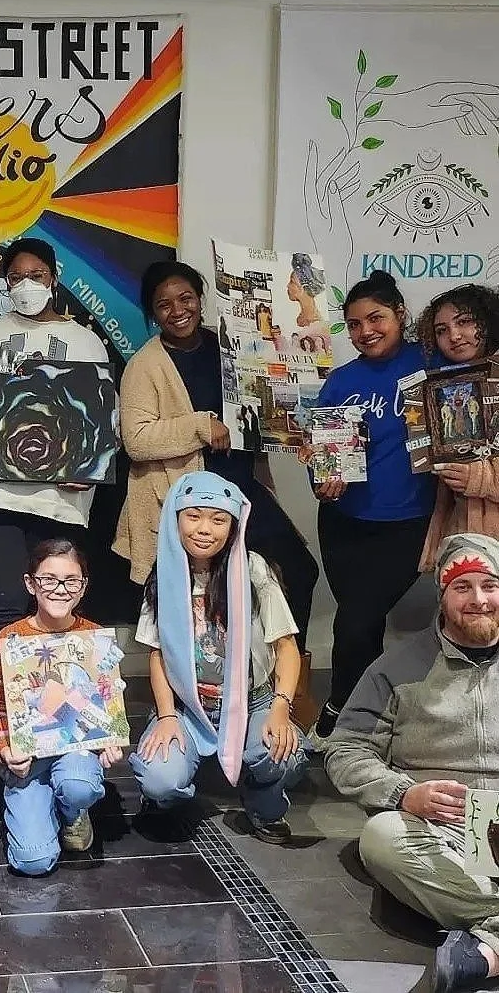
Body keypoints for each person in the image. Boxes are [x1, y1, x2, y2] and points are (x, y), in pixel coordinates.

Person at [112, 260, 319, 718]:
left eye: (186, 298)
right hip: (182, 499)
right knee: (185, 601)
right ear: (151, 313)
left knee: (298, 571)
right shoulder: (145, 365)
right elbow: (138, 440)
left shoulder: (231, 345)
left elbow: (258, 401)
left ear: (201, 298)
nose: (177, 310)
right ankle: (192, 700)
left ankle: (282, 686)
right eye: (163, 304)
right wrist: (201, 425)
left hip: (240, 486)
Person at [325, 533, 499, 993]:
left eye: (490, 585)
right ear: (442, 596)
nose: (478, 600)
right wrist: (403, 793)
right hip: (442, 832)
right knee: (381, 837)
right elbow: (345, 749)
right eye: (462, 588)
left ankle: (487, 948)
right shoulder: (398, 666)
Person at [0, 237, 110, 669]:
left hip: (61, 501)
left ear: (53, 279)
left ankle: (55, 714)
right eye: (16, 277)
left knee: (56, 602)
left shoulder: (86, 342)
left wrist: (90, 467)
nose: (26, 284)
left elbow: (100, 421)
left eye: (36, 275)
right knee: (1, 600)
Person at [129, 473, 308, 845]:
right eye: (193, 516)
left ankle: (264, 804)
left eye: (218, 519)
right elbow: (157, 654)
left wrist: (280, 707)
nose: (205, 529)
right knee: (160, 776)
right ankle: (165, 800)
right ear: (175, 519)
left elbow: (286, 647)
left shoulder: (253, 569)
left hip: (252, 700)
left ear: (233, 524)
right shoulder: (163, 573)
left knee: (283, 754)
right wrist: (165, 716)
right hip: (187, 706)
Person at [308, 270, 435, 750]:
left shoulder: (431, 361)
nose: (366, 331)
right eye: (355, 324)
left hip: (406, 524)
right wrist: (322, 482)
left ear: (400, 315)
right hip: (343, 524)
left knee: (356, 620)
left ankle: (340, 714)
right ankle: (371, 720)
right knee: (358, 621)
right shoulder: (341, 381)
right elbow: (323, 456)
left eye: (376, 318)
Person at [0, 539, 125, 876]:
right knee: (32, 861)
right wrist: (5, 750)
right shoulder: (9, 639)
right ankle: (38, 806)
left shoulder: (95, 639)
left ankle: (73, 810)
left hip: (75, 751)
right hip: (28, 757)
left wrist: (111, 739)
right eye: (48, 579)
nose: (60, 589)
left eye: (71, 580)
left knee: (79, 785)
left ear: (83, 586)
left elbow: (110, 697)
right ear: (31, 583)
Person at [416, 284, 499, 571]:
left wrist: (482, 479)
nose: (453, 336)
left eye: (464, 322)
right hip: (464, 537)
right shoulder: (442, 386)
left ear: (488, 320)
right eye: (441, 330)